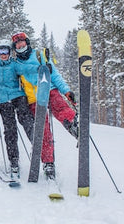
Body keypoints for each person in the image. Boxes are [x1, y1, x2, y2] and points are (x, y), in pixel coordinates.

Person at [11, 31, 78, 179]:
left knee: (60, 107)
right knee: (43, 131)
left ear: (27, 43)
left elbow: (55, 75)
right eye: (17, 44)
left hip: (49, 90)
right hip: (34, 100)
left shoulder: (40, 55)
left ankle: (74, 125)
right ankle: (48, 163)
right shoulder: (16, 64)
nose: (20, 45)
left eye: (22, 42)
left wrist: (66, 91)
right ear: (14, 47)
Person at [0, 39, 34, 179]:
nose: (3, 54)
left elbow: (28, 69)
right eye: (1, 51)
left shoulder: (15, 64)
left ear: (10, 52)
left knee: (25, 119)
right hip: (4, 101)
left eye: (6, 51)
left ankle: (35, 141)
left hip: (18, 96)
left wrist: (40, 68)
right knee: (10, 131)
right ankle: (14, 161)